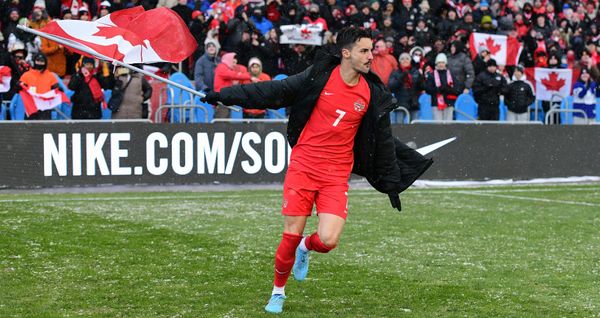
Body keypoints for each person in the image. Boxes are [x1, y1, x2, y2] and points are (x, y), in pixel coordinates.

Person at [201, 26, 432, 314]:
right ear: (345, 53)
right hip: (304, 166)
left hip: (336, 175)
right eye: (364, 50)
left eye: (371, 50)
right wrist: (225, 95)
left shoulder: (372, 93)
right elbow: (273, 91)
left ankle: (305, 250)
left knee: (328, 240)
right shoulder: (318, 76)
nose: (371, 56)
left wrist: (392, 183)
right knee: (291, 234)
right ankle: (278, 291)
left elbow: (383, 142)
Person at [212, 52, 255, 118]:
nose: (234, 63)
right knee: (221, 123)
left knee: (225, 122)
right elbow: (233, 75)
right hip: (221, 100)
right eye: (233, 60)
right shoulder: (221, 67)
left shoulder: (225, 68)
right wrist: (250, 76)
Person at [18, 53, 59, 120]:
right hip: (31, 107)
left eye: (42, 61)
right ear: (34, 61)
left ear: (45, 63)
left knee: (44, 128)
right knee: (30, 128)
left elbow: (56, 89)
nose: (39, 63)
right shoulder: (27, 75)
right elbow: (19, 87)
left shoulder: (50, 76)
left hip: (45, 107)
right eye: (38, 60)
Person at [424, 53, 462, 121]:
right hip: (436, 103)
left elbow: (457, 89)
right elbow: (428, 89)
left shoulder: (451, 74)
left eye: (442, 62)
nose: (441, 64)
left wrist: (448, 89)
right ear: (436, 63)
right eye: (439, 62)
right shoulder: (432, 75)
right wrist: (438, 90)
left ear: (445, 63)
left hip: (449, 103)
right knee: (438, 125)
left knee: (448, 125)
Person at [388, 52, 423, 123]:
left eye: (407, 58)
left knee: (414, 127)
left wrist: (422, 79)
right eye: (402, 59)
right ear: (399, 61)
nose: (405, 60)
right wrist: (401, 77)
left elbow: (421, 86)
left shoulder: (415, 71)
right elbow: (391, 87)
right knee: (399, 126)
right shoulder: (395, 72)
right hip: (401, 102)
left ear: (410, 60)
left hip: (413, 103)